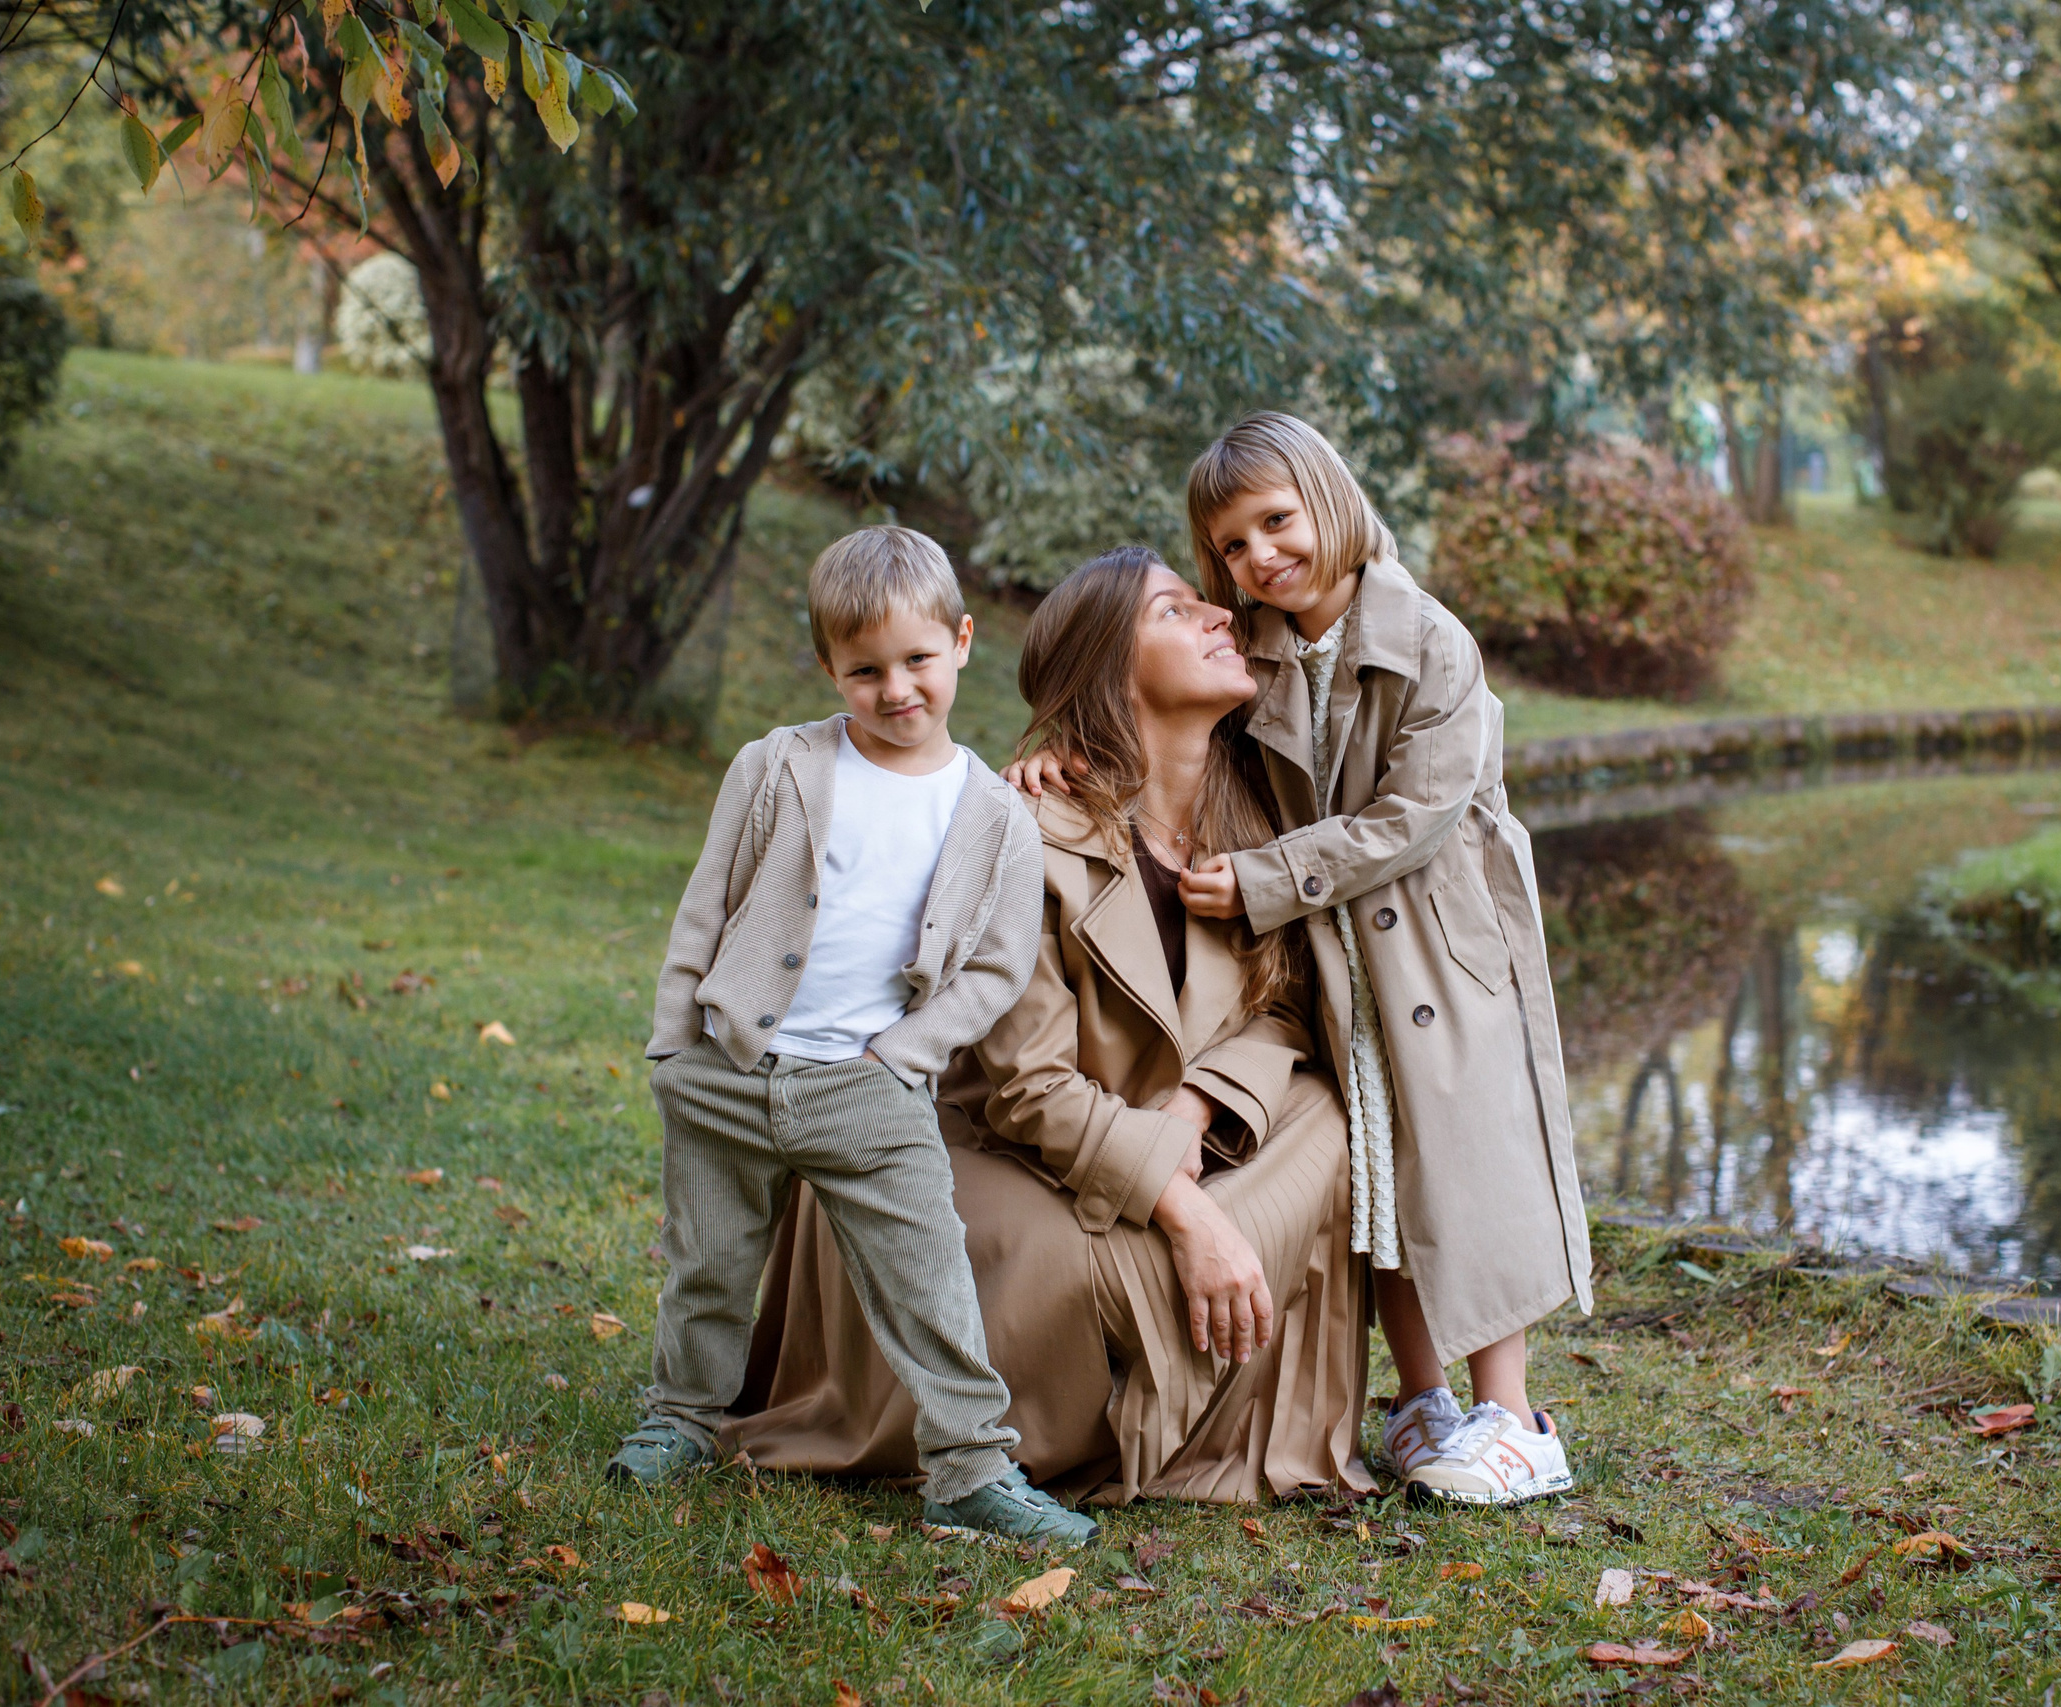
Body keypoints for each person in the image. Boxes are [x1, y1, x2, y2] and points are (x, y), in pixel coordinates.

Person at [1012, 414, 1592, 1506]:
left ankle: (1514, 1415)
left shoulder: (1429, 642)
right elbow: (1153, 712)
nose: (1259, 558)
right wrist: (1063, 745)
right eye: (1230, 546)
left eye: (1276, 522)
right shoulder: (1261, 648)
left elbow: (1417, 814)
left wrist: (1273, 878)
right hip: (1340, 967)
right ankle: (1421, 1403)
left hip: (1439, 957)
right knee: (1379, 1175)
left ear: (1331, 501)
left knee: (1466, 1171)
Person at [722, 547, 1372, 1505]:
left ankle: (1164, 1331)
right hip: (994, 1149)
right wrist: (1187, 1212)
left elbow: (1281, 1011)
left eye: (1209, 607)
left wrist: (1191, 1113)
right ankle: (1167, 1351)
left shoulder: (1260, 816)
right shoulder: (1020, 826)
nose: (1221, 617)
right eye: (1175, 610)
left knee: (1328, 1108)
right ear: (1110, 666)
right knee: (1076, 1259)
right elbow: (1029, 1088)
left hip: (1162, 1143)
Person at [618, 525, 1095, 1549]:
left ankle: (969, 1470)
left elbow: (998, 965)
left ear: (963, 642)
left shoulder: (997, 815)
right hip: (731, 1069)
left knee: (929, 1278)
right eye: (864, 669)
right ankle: (682, 1420)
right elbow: (708, 905)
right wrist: (673, 1047)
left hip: (870, 1087)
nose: (895, 689)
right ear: (829, 667)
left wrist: (908, 1055)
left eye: (918, 659)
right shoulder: (776, 766)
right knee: (707, 1262)